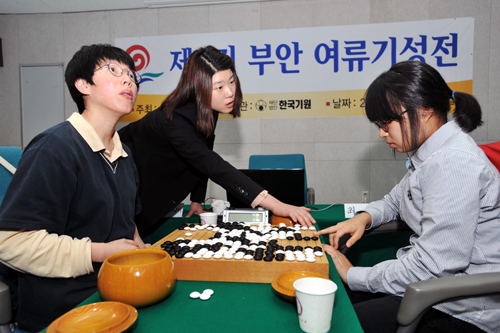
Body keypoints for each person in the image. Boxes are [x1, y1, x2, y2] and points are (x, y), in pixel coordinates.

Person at [315, 60, 500, 332]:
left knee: (336, 322)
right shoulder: (432, 153)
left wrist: (353, 274)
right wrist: (364, 217)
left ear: (423, 110)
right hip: (429, 287)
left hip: (459, 308)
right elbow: (394, 201)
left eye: (386, 122)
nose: (381, 132)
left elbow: (434, 266)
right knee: (327, 301)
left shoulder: (454, 163)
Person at [0, 44, 150, 332]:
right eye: (114, 71)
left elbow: (127, 222)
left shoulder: (125, 155)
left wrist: (141, 249)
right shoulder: (54, 148)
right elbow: (10, 244)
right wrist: (100, 252)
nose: (128, 80)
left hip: (117, 297)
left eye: (132, 75)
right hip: (65, 311)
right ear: (83, 85)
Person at [119, 45, 315, 236]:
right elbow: (213, 165)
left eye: (231, 81)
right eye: (219, 87)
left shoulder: (207, 109)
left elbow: (203, 152)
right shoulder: (174, 120)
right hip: (123, 194)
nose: (229, 92)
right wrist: (277, 205)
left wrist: (197, 200)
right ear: (198, 89)